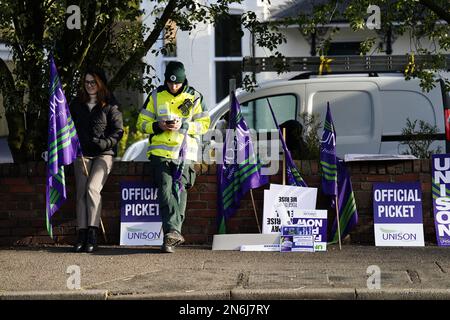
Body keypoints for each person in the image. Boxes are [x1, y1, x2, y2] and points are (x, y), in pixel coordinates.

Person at [136, 61, 210, 253]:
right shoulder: (155, 96)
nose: (174, 86)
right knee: (165, 187)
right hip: (160, 153)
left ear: (184, 79)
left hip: (184, 152)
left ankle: (171, 234)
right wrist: (157, 126)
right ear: (166, 80)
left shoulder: (195, 97)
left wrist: (185, 126)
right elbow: (141, 123)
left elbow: (204, 124)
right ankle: (172, 232)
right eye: (170, 82)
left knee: (180, 189)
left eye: (177, 83)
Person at [69, 66, 124, 253]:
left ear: (100, 83)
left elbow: (118, 131)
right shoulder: (76, 104)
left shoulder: (110, 104)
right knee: (82, 192)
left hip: (103, 154)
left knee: (93, 188)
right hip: (82, 154)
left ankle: (93, 233)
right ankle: (81, 234)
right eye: (86, 82)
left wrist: (104, 144)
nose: (90, 86)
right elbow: (67, 128)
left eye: (93, 82)